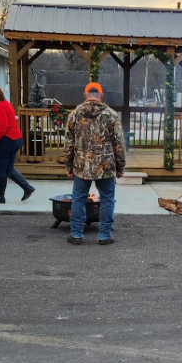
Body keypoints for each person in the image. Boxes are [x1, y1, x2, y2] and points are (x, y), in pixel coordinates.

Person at [63, 82, 126, 245]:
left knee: (78, 198)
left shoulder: (75, 114)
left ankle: (76, 235)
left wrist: (69, 166)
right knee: (107, 199)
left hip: (81, 165)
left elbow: (69, 143)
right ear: (101, 96)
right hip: (105, 166)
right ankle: (105, 235)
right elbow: (119, 143)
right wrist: (120, 166)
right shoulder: (111, 115)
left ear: (85, 95)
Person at [0, 83, 35, 203]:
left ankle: (0, 196)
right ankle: (27, 187)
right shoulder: (6, 104)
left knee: (0, 169)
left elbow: (2, 125)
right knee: (8, 168)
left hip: (4, 141)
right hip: (15, 140)